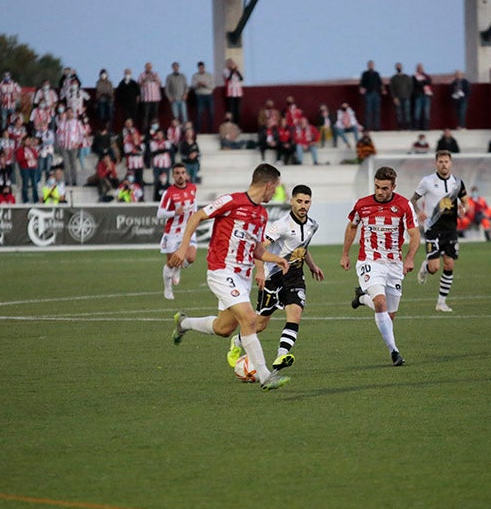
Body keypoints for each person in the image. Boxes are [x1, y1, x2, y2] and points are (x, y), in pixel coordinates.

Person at [169, 163, 292, 391]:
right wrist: (183, 247)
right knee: (250, 319)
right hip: (221, 271)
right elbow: (197, 216)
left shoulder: (261, 214)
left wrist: (277, 259)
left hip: (242, 278)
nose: (275, 192)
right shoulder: (231, 201)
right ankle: (265, 376)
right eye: (275, 188)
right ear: (268, 185)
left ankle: (183, 323)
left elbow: (256, 249)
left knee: (223, 329)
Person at [226, 184, 324, 372]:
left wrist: (312, 266)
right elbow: (259, 249)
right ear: (291, 201)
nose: (303, 205)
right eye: (299, 201)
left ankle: (281, 355)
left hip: (295, 276)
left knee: (295, 314)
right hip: (274, 277)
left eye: (307, 202)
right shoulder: (281, 226)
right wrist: (261, 271)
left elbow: (303, 247)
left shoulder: (313, 225)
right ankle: (237, 342)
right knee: (260, 324)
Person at [341, 166, 420, 366]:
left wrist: (409, 258)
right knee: (381, 304)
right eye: (377, 187)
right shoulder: (362, 205)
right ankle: (394, 352)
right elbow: (352, 227)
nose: (380, 192)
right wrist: (345, 254)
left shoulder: (404, 205)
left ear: (393, 186)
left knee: (388, 315)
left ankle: (362, 298)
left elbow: (414, 235)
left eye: (385, 188)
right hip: (369, 261)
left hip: (394, 264)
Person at [411, 150, 471, 312]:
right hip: (433, 229)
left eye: (446, 161)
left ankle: (441, 303)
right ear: (436, 163)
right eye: (441, 162)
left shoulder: (458, 183)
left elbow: (466, 201)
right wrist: (418, 211)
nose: (444, 164)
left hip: (451, 229)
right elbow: (413, 199)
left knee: (449, 264)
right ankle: (425, 267)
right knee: (434, 267)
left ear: (451, 163)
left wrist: (465, 208)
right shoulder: (427, 181)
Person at [157, 163, 198, 300]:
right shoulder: (169, 193)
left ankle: (178, 268)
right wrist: (175, 212)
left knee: (190, 258)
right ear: (173, 175)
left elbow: (194, 204)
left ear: (186, 174)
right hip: (172, 232)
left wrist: (196, 217)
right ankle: (167, 289)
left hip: (187, 230)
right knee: (171, 263)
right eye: (177, 173)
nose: (180, 176)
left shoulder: (192, 188)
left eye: (182, 173)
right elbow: (160, 213)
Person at [359, 60, 384, 132]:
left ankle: (377, 127)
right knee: (368, 111)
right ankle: (367, 127)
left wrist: (383, 90)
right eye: (370, 65)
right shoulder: (365, 74)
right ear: (368, 66)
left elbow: (380, 83)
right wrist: (361, 88)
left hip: (376, 94)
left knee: (377, 111)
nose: (371, 66)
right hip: (368, 94)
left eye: (372, 64)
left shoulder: (376, 74)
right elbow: (362, 83)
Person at [190, 61, 215, 133]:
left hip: (209, 96)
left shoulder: (209, 75)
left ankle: (210, 130)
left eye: (202, 67)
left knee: (211, 113)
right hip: (199, 96)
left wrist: (205, 84)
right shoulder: (195, 76)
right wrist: (198, 85)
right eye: (200, 67)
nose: (201, 69)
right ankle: (198, 131)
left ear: (204, 67)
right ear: (198, 68)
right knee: (199, 114)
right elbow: (192, 86)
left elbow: (213, 86)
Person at [138, 63, 162, 132]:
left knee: (155, 115)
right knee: (145, 115)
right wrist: (145, 79)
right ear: (145, 67)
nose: (149, 68)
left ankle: (155, 131)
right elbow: (139, 85)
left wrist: (155, 79)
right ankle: (145, 131)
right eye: (147, 67)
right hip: (146, 98)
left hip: (155, 98)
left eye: (150, 67)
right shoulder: (141, 75)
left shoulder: (155, 74)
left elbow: (160, 84)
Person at [389, 63, 413, 131]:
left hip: (406, 98)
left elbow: (410, 87)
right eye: (397, 66)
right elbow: (392, 89)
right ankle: (400, 127)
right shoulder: (393, 78)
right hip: (398, 98)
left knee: (407, 112)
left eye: (399, 66)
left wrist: (408, 95)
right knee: (399, 113)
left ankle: (408, 127)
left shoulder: (407, 77)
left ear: (402, 67)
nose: (399, 67)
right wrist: (394, 97)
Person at [412, 63, 433, 130]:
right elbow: (417, 84)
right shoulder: (414, 76)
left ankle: (426, 127)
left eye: (421, 68)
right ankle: (416, 127)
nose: (420, 69)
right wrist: (423, 82)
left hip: (426, 95)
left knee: (426, 111)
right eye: (418, 68)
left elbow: (429, 82)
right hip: (418, 95)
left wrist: (423, 81)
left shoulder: (426, 75)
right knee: (417, 111)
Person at [222, 58, 244, 124]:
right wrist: (232, 70)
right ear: (227, 64)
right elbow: (228, 78)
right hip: (230, 93)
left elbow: (241, 78)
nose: (232, 64)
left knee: (237, 110)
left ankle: (237, 125)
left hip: (238, 93)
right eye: (230, 63)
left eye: (232, 63)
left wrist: (236, 71)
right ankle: (230, 124)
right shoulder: (225, 71)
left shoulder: (237, 71)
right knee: (230, 110)